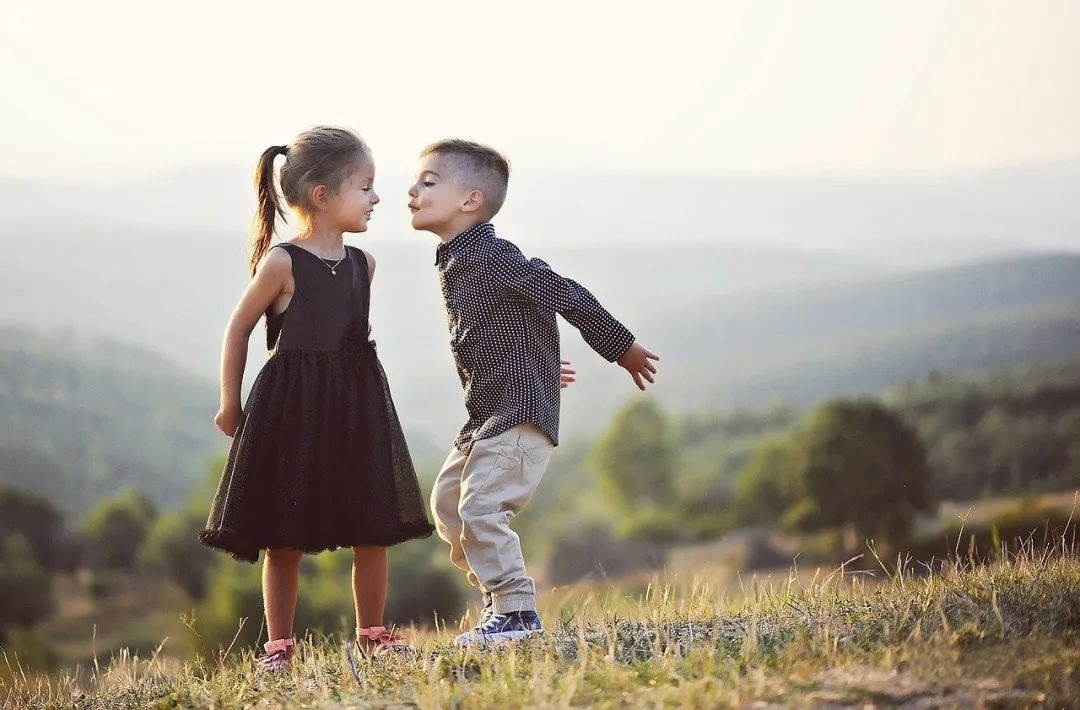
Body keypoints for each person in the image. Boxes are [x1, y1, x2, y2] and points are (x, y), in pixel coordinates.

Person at [407, 138, 660, 646]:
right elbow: (505, 325)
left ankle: (517, 611)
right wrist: (538, 364)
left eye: (428, 182)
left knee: (481, 508)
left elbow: (562, 292)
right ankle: (500, 603)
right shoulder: (455, 258)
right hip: (487, 413)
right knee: (450, 507)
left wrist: (620, 346)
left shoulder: (493, 256)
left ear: (470, 201)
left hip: (519, 415)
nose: (411, 191)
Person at [199, 126, 434, 672]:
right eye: (366, 187)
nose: (378, 199)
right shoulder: (283, 263)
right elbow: (238, 331)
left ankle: (373, 632)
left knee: (371, 524)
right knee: (286, 532)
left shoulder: (363, 265)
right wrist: (229, 404)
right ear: (323, 196)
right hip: (292, 409)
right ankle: (279, 645)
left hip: (355, 408)